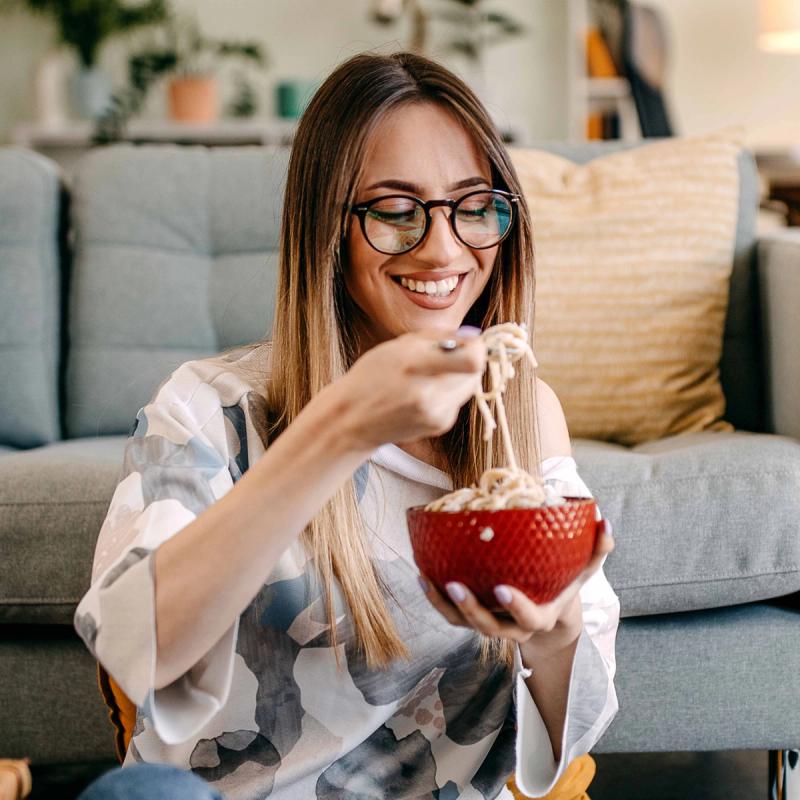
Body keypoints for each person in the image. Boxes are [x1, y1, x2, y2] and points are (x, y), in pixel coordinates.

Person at [74, 50, 619, 800]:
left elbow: (574, 733)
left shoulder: (523, 420)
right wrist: (342, 429)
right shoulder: (209, 407)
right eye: (394, 211)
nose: (442, 247)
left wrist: (555, 637)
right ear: (325, 231)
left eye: (472, 205)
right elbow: (136, 650)